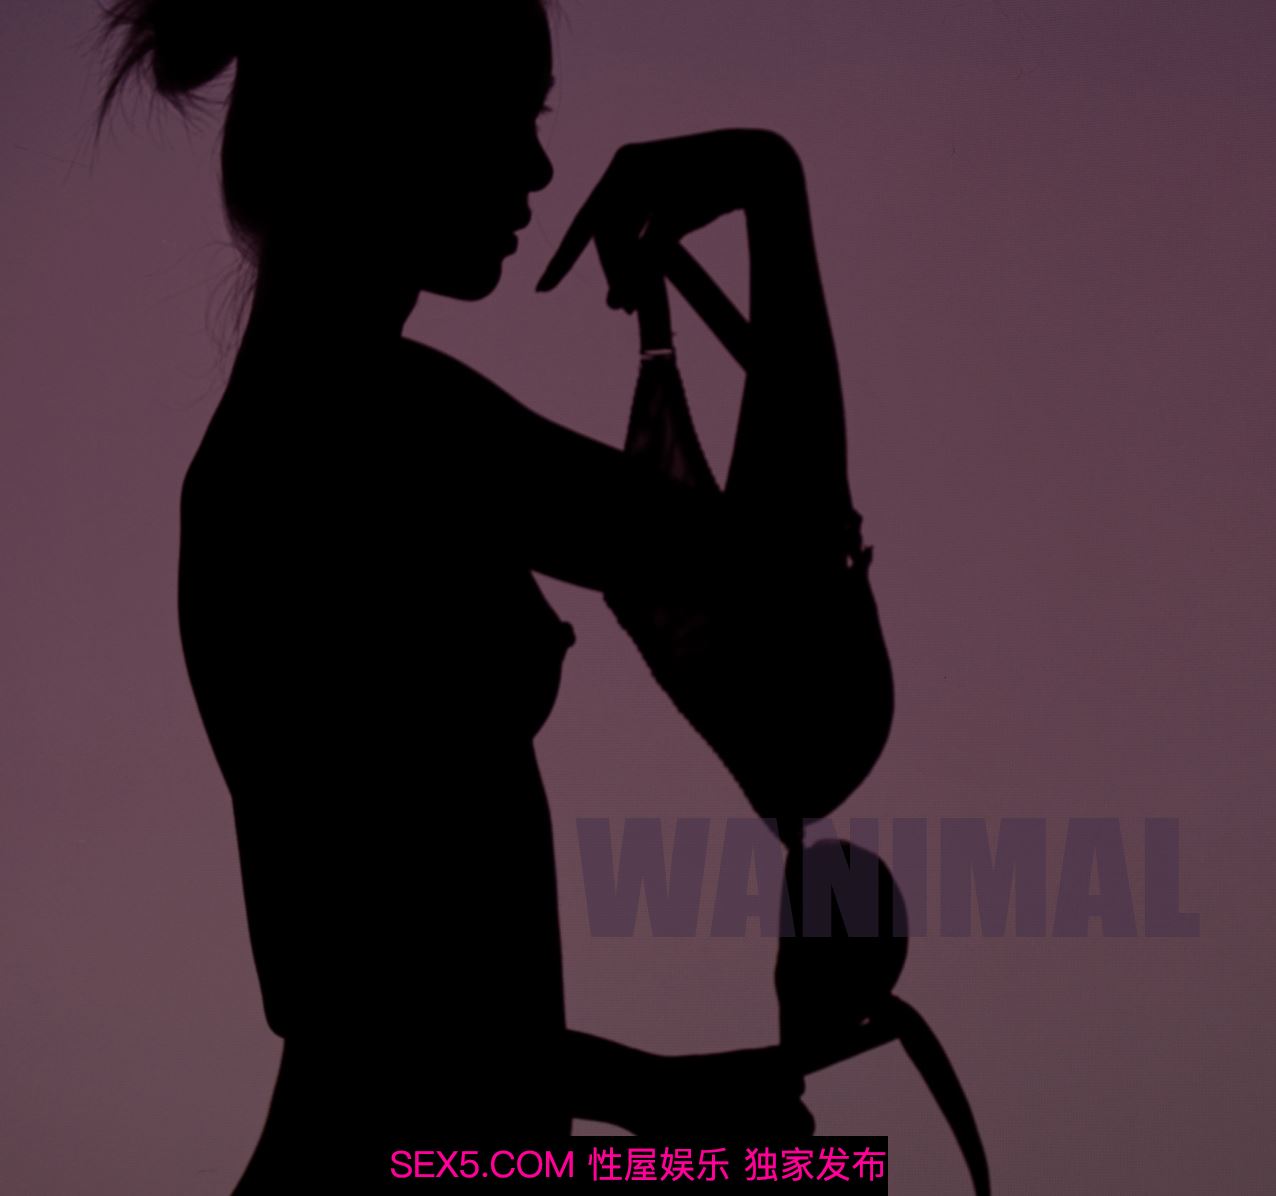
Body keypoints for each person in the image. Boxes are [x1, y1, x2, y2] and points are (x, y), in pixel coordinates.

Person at [100, 2, 880, 1190]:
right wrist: (767, 188)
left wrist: (665, 1115)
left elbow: (389, 1041)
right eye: (505, 118)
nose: (539, 167)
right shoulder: (382, 427)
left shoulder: (309, 432)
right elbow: (773, 566)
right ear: (386, 125)